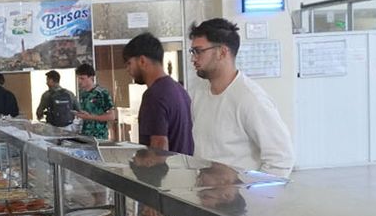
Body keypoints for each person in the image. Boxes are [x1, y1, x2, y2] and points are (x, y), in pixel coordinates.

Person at [187, 18, 294, 177]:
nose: (193, 58)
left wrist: (250, 190)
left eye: (199, 51)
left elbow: (281, 158)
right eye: (192, 52)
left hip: (239, 192)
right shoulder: (199, 94)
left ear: (222, 52)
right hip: (205, 189)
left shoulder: (250, 99)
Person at [123, 32, 193, 154]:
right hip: (184, 164)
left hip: (167, 166)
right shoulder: (179, 90)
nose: (127, 69)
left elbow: (159, 146)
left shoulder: (154, 95)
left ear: (142, 61)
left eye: (129, 63)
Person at [74, 62, 115, 140]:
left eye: (82, 78)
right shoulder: (83, 94)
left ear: (91, 77)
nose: (79, 81)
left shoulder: (102, 93)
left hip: (99, 136)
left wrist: (90, 117)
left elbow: (111, 116)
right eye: (78, 78)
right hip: (85, 136)